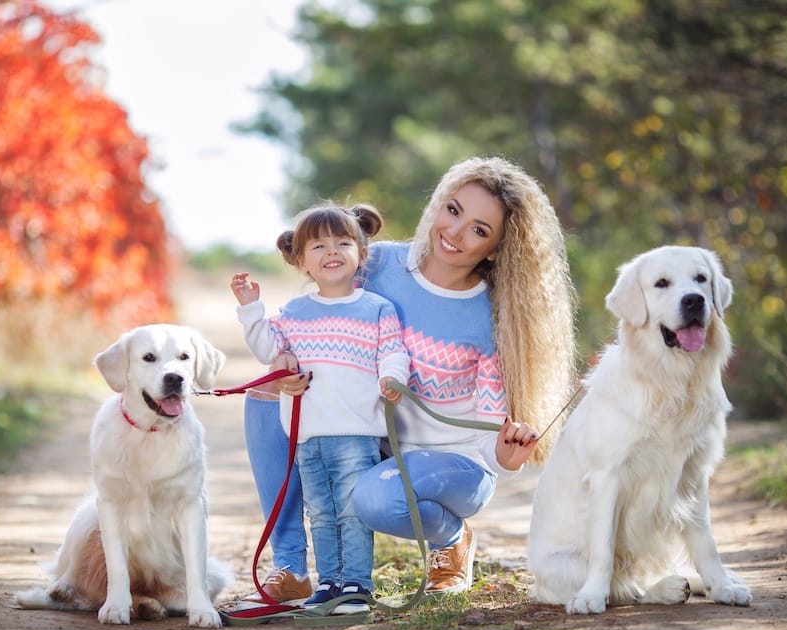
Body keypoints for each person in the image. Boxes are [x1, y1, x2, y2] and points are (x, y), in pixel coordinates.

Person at [246, 155, 576, 596]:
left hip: (456, 464)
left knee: (372, 498)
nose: (455, 233)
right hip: (374, 445)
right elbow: (320, 326)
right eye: (453, 210)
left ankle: (452, 539)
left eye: (479, 230)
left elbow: (488, 430)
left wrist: (504, 457)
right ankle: (292, 568)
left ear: (497, 247)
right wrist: (289, 366)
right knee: (267, 395)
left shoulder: (496, 317)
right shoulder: (377, 265)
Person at [231, 203, 411, 614]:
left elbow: (393, 352)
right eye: (319, 246)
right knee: (322, 514)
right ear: (301, 261)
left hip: (355, 431)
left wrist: (391, 378)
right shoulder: (294, 314)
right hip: (309, 435)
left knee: (351, 512)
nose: (332, 252)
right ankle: (329, 583)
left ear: (361, 254)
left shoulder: (375, 309)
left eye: (343, 243)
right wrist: (251, 309)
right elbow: (267, 350)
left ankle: (357, 586)